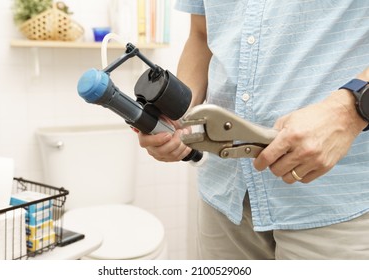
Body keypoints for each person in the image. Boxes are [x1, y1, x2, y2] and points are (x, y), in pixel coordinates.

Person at [137, 0, 369, 259]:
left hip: (331, 197)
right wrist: (177, 113)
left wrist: (348, 112)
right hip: (224, 193)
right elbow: (201, 36)